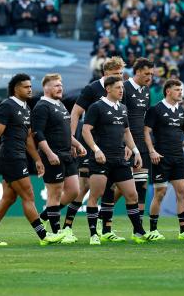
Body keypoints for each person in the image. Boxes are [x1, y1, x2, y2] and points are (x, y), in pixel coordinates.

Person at [0, 74, 65, 246]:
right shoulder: (7, 106)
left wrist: (38, 160)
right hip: (10, 157)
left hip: (19, 157)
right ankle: (43, 236)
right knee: (29, 196)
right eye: (26, 87)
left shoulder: (26, 108)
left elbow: (27, 138)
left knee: (8, 198)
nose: (30, 89)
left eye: (30, 86)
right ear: (16, 89)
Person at [82, 76, 153, 245]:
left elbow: (126, 132)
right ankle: (93, 234)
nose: (122, 90)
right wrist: (96, 150)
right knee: (95, 196)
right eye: (118, 87)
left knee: (132, 194)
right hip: (101, 160)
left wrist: (135, 151)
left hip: (120, 159)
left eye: (122, 87)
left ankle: (138, 231)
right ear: (108, 89)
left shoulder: (122, 108)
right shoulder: (96, 107)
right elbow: (86, 130)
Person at [64, 57, 125, 238]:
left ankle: (106, 229)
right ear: (106, 74)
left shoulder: (121, 89)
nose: (120, 77)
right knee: (84, 187)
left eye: (121, 74)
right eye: (116, 74)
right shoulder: (92, 89)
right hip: (91, 145)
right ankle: (67, 227)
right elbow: (75, 113)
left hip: (112, 146)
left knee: (112, 186)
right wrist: (72, 140)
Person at [145, 79, 184, 241]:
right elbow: (146, 132)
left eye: (181, 89)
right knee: (160, 193)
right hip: (161, 158)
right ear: (168, 91)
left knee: (182, 192)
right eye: (177, 89)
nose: (181, 92)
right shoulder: (156, 110)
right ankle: (153, 230)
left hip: (178, 158)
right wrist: (151, 151)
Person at [32, 74, 86, 244]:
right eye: (56, 85)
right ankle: (56, 232)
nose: (60, 88)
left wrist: (77, 144)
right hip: (52, 155)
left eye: (61, 85)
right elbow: (37, 133)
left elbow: (65, 133)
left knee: (74, 191)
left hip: (67, 155)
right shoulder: (41, 106)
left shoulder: (61, 105)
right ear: (46, 88)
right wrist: (49, 153)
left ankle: (44, 216)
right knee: (54, 194)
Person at [123, 58, 154, 222]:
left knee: (141, 186)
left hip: (141, 143)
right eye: (147, 73)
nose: (150, 77)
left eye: (152, 74)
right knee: (120, 187)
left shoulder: (146, 91)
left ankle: (139, 228)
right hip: (126, 143)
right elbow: (120, 117)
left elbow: (145, 118)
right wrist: (125, 143)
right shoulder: (124, 88)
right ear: (138, 71)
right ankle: (104, 220)